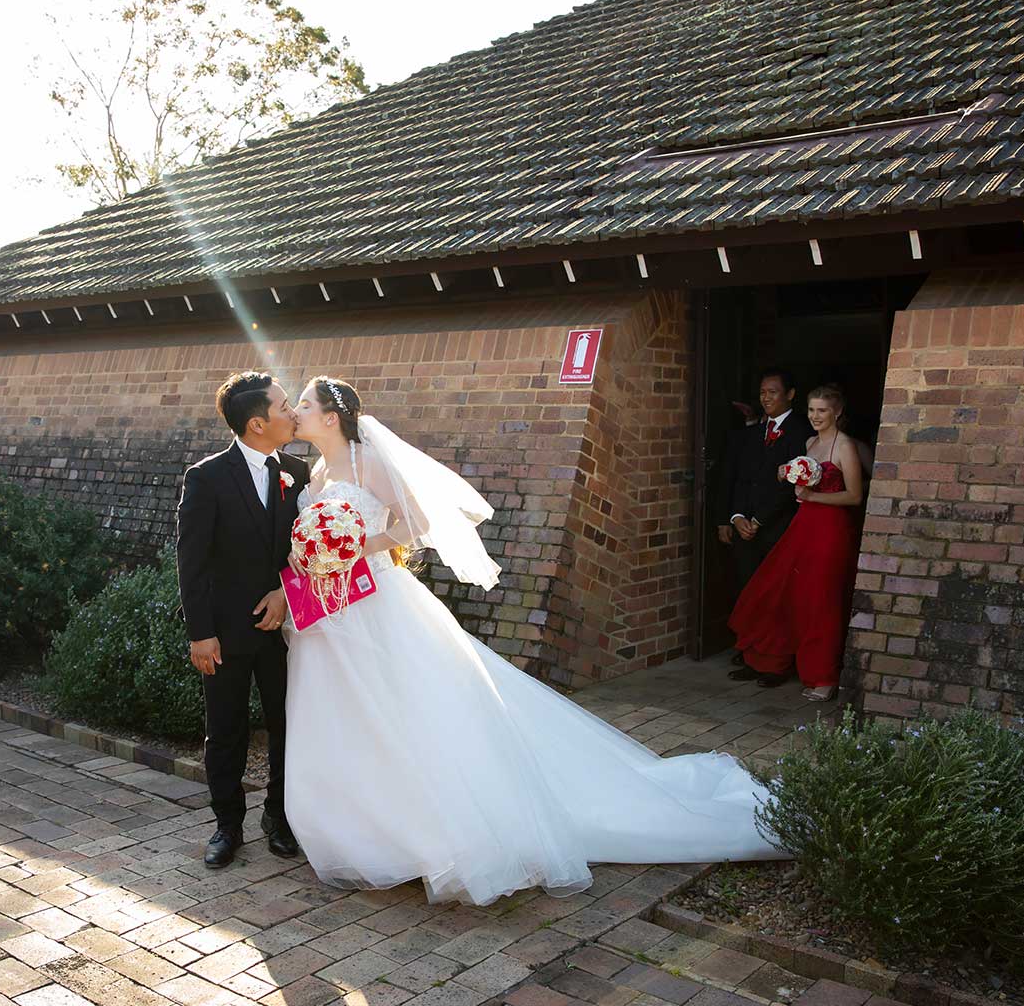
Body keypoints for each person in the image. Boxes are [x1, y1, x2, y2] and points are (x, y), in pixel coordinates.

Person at [277, 376, 786, 907]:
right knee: (353, 717)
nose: (298, 412)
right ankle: (367, 829)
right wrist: (311, 558)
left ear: (331, 418)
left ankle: (433, 835)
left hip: (378, 600)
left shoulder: (367, 461)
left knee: (409, 710)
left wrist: (357, 547)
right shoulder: (315, 471)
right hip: (332, 611)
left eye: (305, 406)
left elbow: (416, 523)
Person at [176, 372, 311, 868]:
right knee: (226, 730)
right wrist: (200, 634)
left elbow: (308, 555)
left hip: (286, 631)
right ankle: (226, 826)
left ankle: (278, 817)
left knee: (286, 726)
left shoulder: (298, 471)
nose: (292, 412)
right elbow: (192, 562)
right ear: (257, 423)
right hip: (225, 634)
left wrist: (285, 595)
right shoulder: (206, 477)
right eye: (282, 406)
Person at [727, 384, 865, 703]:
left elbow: (855, 496)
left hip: (831, 529)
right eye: (812, 410)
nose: (815, 416)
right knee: (779, 590)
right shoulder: (809, 442)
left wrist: (814, 496)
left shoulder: (844, 446)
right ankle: (768, 658)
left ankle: (824, 676)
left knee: (821, 601)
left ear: (837, 412)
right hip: (804, 524)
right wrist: (787, 476)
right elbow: (799, 484)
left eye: (823, 410)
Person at [717, 367, 811, 686]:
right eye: (762, 392)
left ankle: (776, 663)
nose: (766, 398)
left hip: (777, 528)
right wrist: (736, 517)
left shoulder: (800, 431)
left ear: (790, 395)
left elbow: (790, 486)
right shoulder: (754, 432)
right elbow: (741, 476)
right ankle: (750, 654)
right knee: (748, 592)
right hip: (746, 526)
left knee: (776, 598)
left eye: (772, 392)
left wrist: (759, 520)